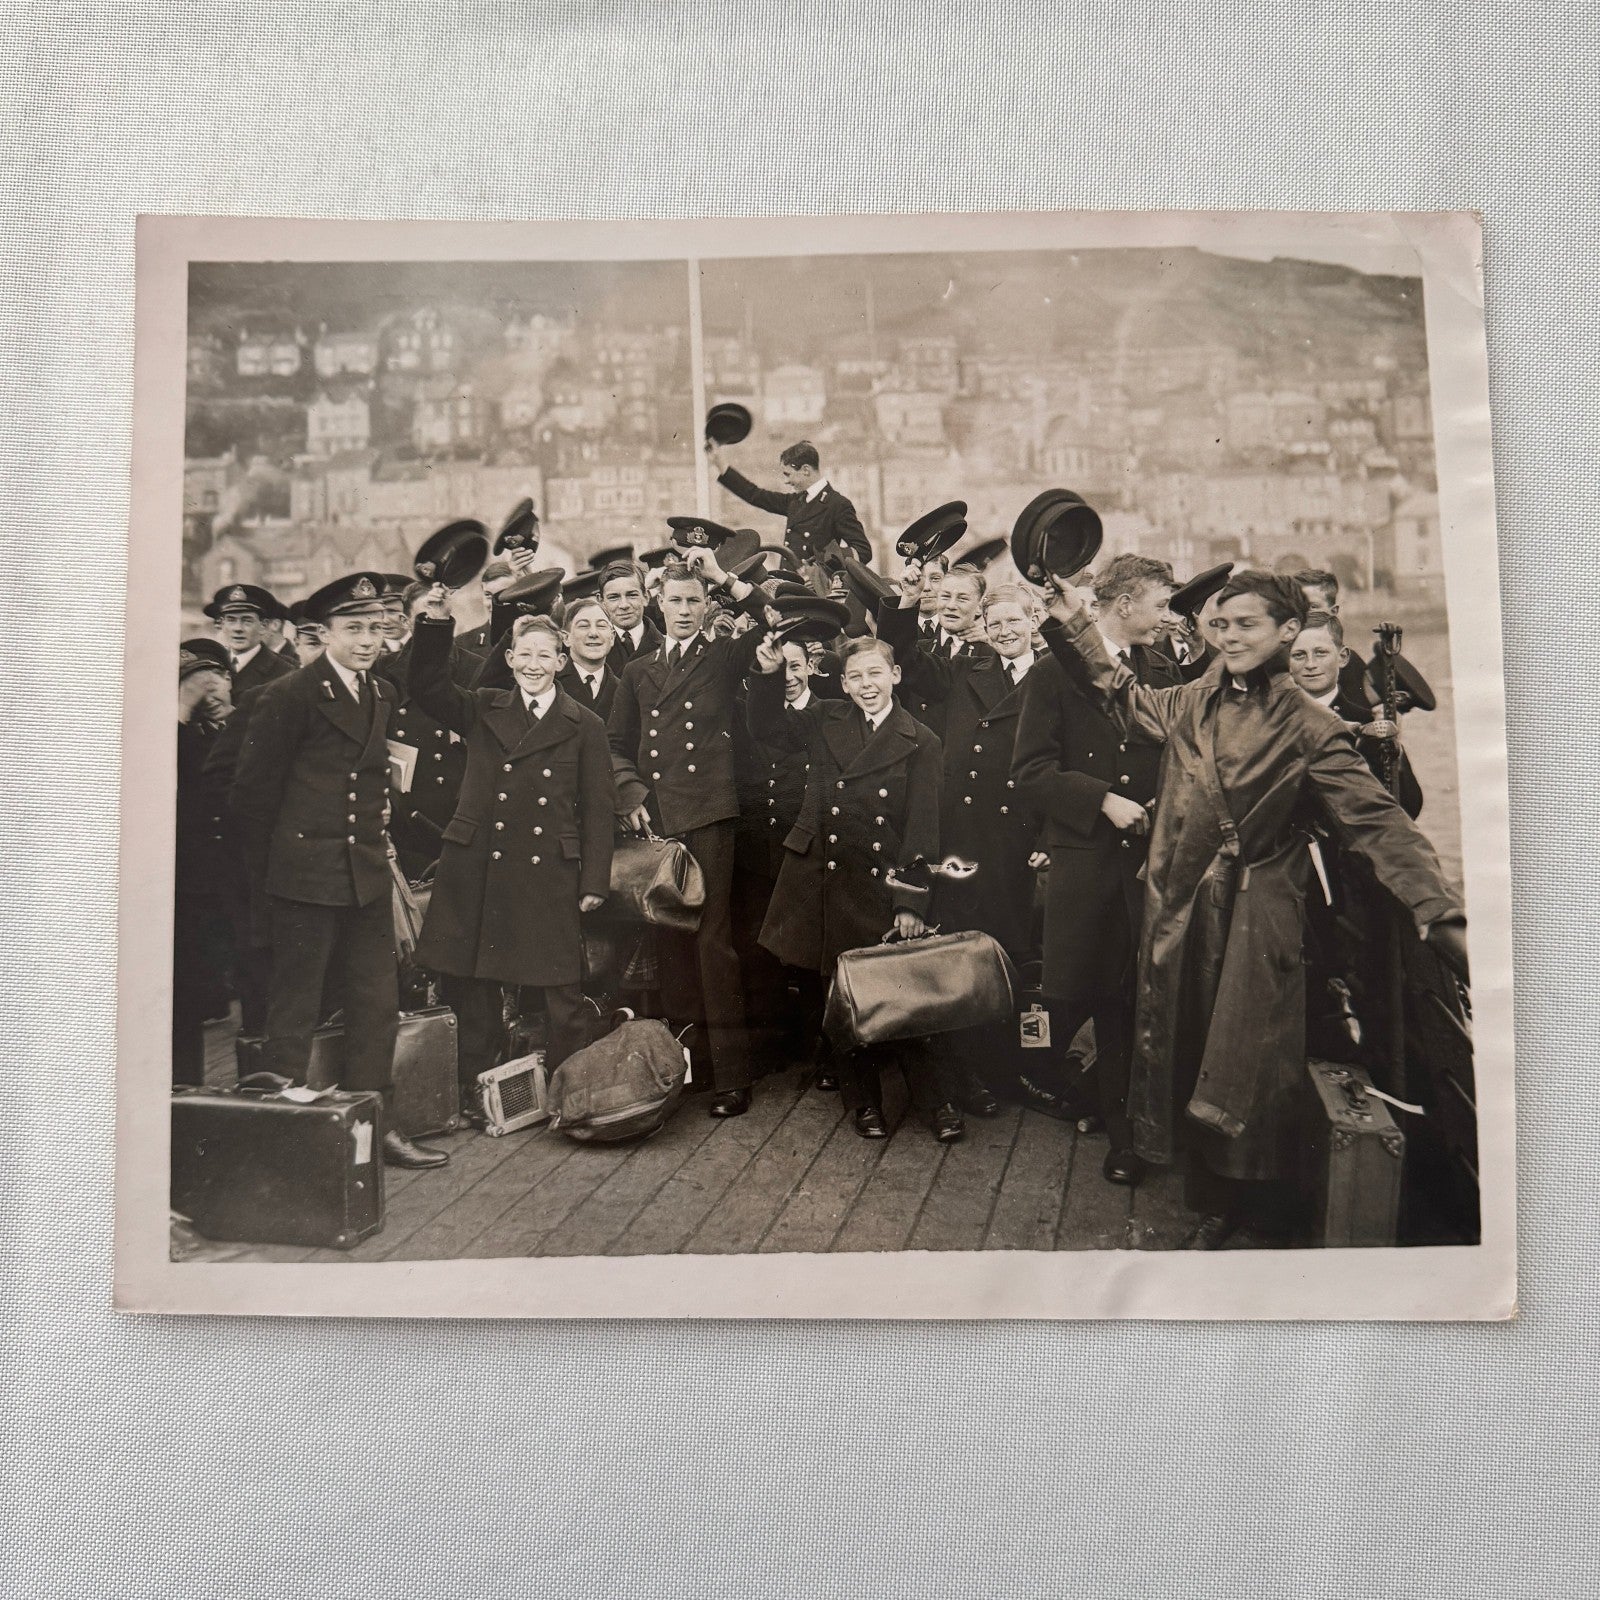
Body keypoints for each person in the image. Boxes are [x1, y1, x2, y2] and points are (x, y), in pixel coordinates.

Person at [1036, 568, 1466, 1245]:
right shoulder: (1197, 696)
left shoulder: (1308, 724)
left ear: (1288, 632)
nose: (1229, 636)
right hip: (1180, 906)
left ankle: (1251, 1215)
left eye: (1247, 625)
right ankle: (1213, 1202)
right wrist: (1073, 622)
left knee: (1247, 1068)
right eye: (1222, 624)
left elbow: (1377, 821)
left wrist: (1435, 909)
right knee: (1188, 1050)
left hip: (1256, 909)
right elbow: (1122, 695)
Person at [229, 571, 448, 1171]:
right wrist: (267, 888)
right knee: (294, 1007)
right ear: (322, 633)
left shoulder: (379, 693)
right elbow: (252, 800)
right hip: (304, 878)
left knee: (377, 1003)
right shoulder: (289, 695)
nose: (365, 641)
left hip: (366, 874)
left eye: (374, 629)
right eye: (352, 629)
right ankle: (284, 1139)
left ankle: (378, 1128)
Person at [1011, 554, 1185, 1186]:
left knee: (1130, 1002)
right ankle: (1057, 1084)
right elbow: (1028, 773)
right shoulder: (1054, 673)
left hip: (1150, 867)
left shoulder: (1162, 673)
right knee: (1075, 994)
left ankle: (1125, 1138)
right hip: (1088, 862)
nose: (1169, 617)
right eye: (1160, 605)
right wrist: (1100, 800)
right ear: (1121, 605)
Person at [747, 633, 960, 1142]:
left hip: (885, 880)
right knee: (841, 995)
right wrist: (767, 675)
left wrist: (911, 901)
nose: (867, 685)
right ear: (841, 684)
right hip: (826, 876)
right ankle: (863, 1100)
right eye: (856, 677)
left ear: (895, 676)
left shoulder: (921, 739)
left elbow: (923, 827)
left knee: (904, 995)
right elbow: (767, 725)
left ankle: (935, 1101)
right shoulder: (825, 720)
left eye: (875, 674)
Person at [406, 603, 615, 1101]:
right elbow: (428, 687)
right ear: (512, 659)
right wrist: (435, 625)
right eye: (525, 655)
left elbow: (598, 809)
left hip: (548, 868)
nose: (534, 665)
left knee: (560, 984)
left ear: (561, 661)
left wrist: (594, 882)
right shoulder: (484, 705)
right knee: (474, 979)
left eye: (545, 655)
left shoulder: (584, 723)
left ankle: (571, 1093)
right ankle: (478, 1089)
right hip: (478, 859)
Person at [607, 551, 769, 1115]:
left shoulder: (722, 657)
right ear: (658, 604)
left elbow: (772, 619)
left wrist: (725, 577)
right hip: (659, 821)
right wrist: (631, 795)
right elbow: (615, 744)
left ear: (706, 607)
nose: (682, 609)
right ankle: (687, 1066)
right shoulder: (637, 670)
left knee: (712, 940)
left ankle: (732, 1074)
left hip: (710, 814)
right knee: (670, 942)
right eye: (673, 600)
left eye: (693, 601)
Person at [374, 582, 476, 878]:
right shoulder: (383, 671)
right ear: (406, 622)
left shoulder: (472, 668)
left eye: (438, 614)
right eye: (424, 616)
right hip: (407, 817)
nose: (433, 622)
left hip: (459, 813)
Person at [1289, 611, 1422, 817]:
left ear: (1342, 657)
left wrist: (1394, 751)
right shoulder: (1273, 719)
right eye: (1299, 655)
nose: (1310, 664)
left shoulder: (1368, 724)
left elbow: (1408, 808)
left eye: (1321, 653)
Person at [173, 642, 235, 1084]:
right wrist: (181, 706)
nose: (209, 690)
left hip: (239, 881)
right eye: (197, 683)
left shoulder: (240, 727)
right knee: (186, 1001)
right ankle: (187, 1089)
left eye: (218, 678)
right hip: (193, 886)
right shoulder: (178, 736)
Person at [706, 438, 872, 567]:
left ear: (805, 470)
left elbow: (863, 551)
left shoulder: (838, 504)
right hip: (790, 583)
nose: (786, 481)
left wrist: (822, 562)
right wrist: (720, 464)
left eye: (788, 474)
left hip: (816, 591)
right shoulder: (795, 501)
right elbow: (755, 495)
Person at [204, 583, 294, 697]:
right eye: (231, 620)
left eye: (247, 621)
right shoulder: (212, 665)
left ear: (263, 626)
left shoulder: (285, 673)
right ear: (222, 624)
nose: (238, 629)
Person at [559, 596, 619, 721]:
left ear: (612, 637)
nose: (593, 633)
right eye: (583, 626)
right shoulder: (551, 683)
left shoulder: (625, 689)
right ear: (566, 638)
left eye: (601, 626)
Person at [598, 560, 662, 675]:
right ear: (602, 602)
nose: (624, 605)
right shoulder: (594, 649)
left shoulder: (668, 647)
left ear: (646, 597)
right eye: (614, 597)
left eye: (632, 595)